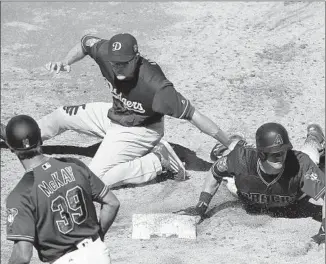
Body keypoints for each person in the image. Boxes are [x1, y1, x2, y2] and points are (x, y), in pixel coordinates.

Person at [10, 32, 232, 188]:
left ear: (136, 58)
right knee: (61, 115)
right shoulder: (107, 53)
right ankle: (19, 139)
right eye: (115, 63)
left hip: (140, 131)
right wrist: (66, 62)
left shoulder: (157, 86)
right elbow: (85, 42)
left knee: (93, 180)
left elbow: (195, 115)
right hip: (114, 114)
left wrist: (229, 143)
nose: (118, 68)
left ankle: (158, 161)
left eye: (124, 63)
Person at [175, 123, 325, 244]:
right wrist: (201, 206)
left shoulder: (300, 164)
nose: (281, 156)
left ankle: (314, 137)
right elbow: (215, 172)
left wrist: (324, 230)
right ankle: (235, 142)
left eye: (283, 151)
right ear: (261, 154)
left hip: (296, 197)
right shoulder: (241, 160)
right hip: (246, 191)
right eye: (274, 153)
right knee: (230, 177)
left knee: (312, 157)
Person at [5, 115, 120, 264]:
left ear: (10, 147)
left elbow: (22, 256)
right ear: (40, 139)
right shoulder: (74, 165)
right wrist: (98, 237)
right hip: (99, 253)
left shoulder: (19, 195)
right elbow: (112, 203)